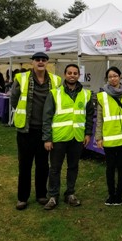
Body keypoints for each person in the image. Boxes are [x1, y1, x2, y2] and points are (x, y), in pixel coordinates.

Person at [10, 52, 62, 210]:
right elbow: (14, 99)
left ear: (47, 63)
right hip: (26, 130)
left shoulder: (55, 80)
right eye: (37, 60)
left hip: (45, 130)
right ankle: (22, 198)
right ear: (32, 62)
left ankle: (41, 194)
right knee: (24, 165)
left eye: (44, 60)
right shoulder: (22, 78)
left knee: (43, 164)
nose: (41, 62)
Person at [42, 64, 94, 210]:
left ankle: (70, 193)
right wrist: (47, 138)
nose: (72, 75)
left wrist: (88, 133)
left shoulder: (86, 94)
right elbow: (46, 117)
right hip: (58, 137)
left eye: (75, 73)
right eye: (69, 73)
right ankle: (53, 196)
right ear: (65, 75)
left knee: (73, 167)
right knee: (55, 169)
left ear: (79, 75)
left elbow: (89, 116)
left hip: (76, 138)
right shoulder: (54, 93)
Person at [95, 66, 122, 206]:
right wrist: (98, 137)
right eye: (110, 76)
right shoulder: (102, 96)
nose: (113, 79)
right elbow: (99, 119)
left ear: (120, 77)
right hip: (109, 138)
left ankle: (119, 195)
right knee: (110, 168)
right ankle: (111, 195)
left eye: (115, 76)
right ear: (107, 79)